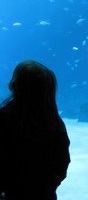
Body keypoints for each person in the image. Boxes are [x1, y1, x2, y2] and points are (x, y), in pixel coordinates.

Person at [0, 60, 70, 200]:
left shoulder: (4, 119)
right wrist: (50, 184)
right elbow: (62, 161)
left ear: (13, 85)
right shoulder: (55, 122)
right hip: (46, 193)